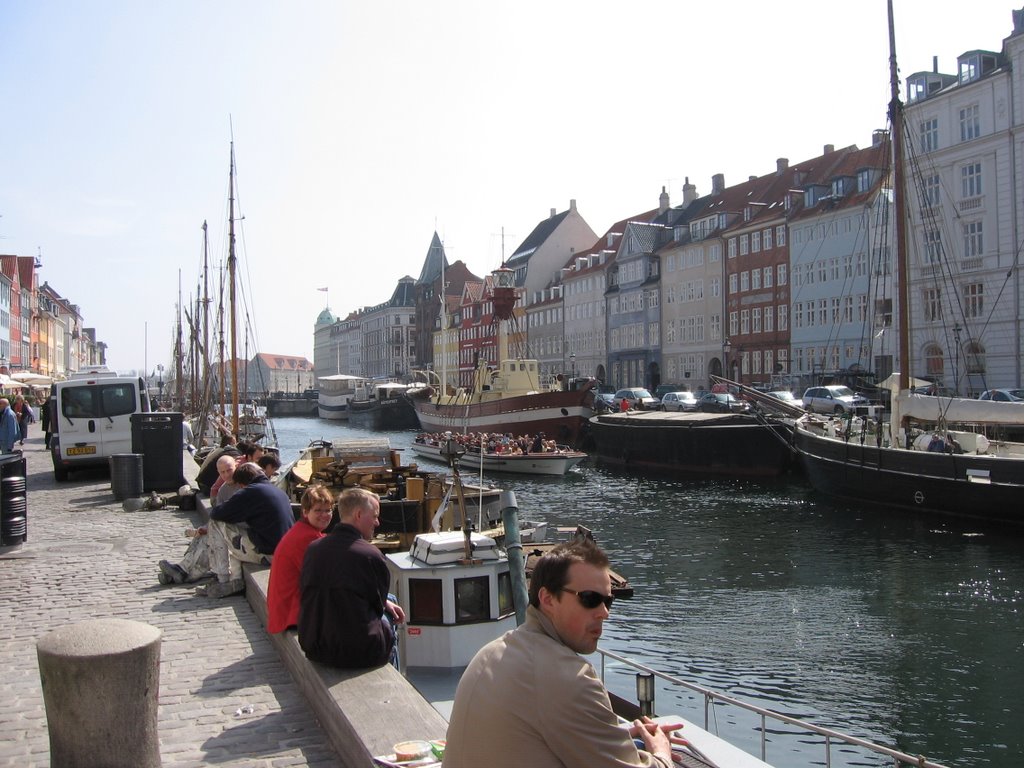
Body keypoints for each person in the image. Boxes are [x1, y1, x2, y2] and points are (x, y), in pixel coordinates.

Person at [443, 539, 674, 768]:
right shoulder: (570, 678)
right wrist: (662, 755)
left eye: (608, 602)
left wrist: (612, 733)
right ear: (548, 599)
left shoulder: (490, 652)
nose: (604, 613)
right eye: (590, 599)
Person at [298, 487, 406, 668]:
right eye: (374, 516)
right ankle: (397, 680)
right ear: (358, 515)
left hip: (315, 646)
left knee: (388, 601)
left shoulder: (313, 548)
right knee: (389, 617)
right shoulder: (370, 555)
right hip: (358, 651)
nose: (377, 522)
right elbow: (377, 606)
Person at [199, 462, 294, 598]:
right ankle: (235, 580)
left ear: (242, 484)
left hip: (268, 554)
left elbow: (217, 513)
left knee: (216, 523)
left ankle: (222, 578)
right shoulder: (276, 490)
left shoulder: (250, 492)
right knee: (236, 542)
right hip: (283, 551)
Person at [266, 485, 334, 634]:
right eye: (318, 510)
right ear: (305, 512)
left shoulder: (301, 530)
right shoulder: (308, 538)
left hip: (283, 608)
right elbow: (322, 578)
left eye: (327, 510)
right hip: (291, 612)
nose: (324, 515)